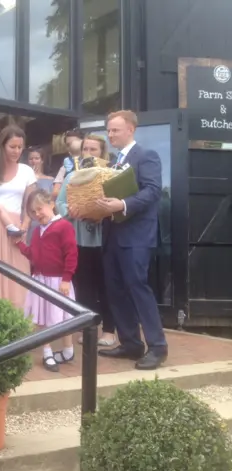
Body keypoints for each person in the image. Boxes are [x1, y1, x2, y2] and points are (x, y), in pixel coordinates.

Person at [95, 110, 168, 370]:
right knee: (116, 290)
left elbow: (153, 191)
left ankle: (157, 347)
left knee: (138, 287)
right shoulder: (113, 162)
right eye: (109, 130)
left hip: (137, 236)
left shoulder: (146, 156)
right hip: (112, 235)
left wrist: (122, 204)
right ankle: (130, 343)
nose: (110, 134)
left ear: (131, 130)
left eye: (115, 130)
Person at [56, 134, 116, 346]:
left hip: (104, 239)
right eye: (85, 149)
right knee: (83, 286)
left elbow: (118, 203)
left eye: (94, 150)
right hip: (80, 239)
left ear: (102, 153)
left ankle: (109, 330)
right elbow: (59, 202)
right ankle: (87, 328)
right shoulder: (72, 177)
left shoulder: (110, 175)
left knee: (106, 285)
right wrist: (70, 211)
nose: (88, 154)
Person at [17, 189, 78, 373]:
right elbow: (33, 254)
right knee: (43, 318)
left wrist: (67, 278)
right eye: (33, 212)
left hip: (58, 280)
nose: (37, 214)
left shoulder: (63, 226)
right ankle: (47, 350)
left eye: (39, 209)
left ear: (51, 204)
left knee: (64, 318)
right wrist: (19, 244)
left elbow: (71, 253)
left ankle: (68, 350)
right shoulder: (36, 231)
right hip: (41, 280)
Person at [0, 125, 35, 309]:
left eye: (20, 147)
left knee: (18, 276)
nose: (17, 151)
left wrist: (25, 225)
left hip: (15, 228)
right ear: (2, 146)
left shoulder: (27, 171)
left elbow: (30, 203)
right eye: (12, 146)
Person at [26, 146, 55, 244]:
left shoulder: (51, 180)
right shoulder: (24, 178)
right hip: (28, 219)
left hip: (45, 219)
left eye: (37, 158)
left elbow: (52, 199)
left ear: (42, 160)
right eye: (31, 159)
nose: (33, 161)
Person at [52, 130, 84, 199]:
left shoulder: (92, 161)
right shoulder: (66, 165)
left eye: (74, 143)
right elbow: (55, 192)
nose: (71, 146)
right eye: (68, 145)